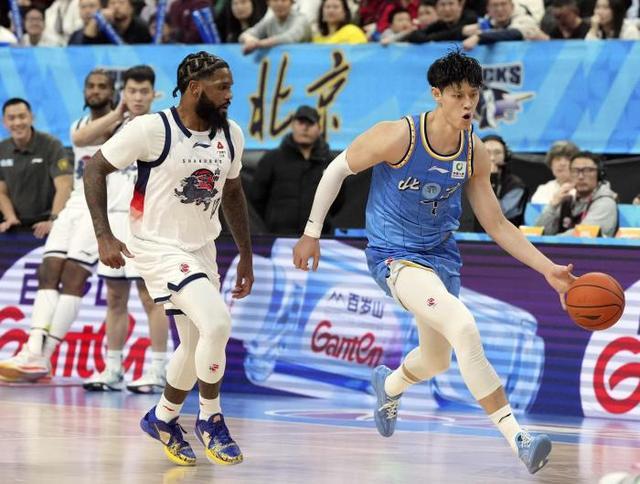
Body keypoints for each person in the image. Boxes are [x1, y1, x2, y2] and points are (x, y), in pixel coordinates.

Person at [293, 51, 575, 475]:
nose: (468, 103)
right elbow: (336, 170)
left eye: (473, 95)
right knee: (463, 326)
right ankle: (519, 437)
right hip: (394, 255)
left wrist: (548, 268)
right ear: (437, 95)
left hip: (441, 256)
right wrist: (311, 232)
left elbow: (497, 223)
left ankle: (389, 385)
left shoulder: (474, 151)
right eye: (458, 95)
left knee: (437, 359)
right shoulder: (398, 136)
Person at [83, 51, 253, 466]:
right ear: (195, 88)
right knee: (217, 323)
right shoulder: (151, 129)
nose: (230, 94)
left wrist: (246, 254)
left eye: (230, 87)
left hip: (202, 247)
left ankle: (162, 418)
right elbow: (94, 169)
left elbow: (232, 192)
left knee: (194, 346)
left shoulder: (231, 134)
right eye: (222, 87)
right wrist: (104, 235)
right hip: (157, 246)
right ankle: (211, 418)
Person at [0, 72, 110, 382]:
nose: (95, 91)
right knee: (47, 272)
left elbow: (61, 181)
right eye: (91, 86)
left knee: (73, 276)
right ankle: (33, 350)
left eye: (102, 86)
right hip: (76, 204)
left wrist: (122, 111)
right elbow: (81, 143)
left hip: (103, 207)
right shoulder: (78, 126)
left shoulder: (125, 125)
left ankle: (43, 356)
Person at [74, 66, 169, 393]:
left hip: (145, 221)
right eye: (132, 91)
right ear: (123, 93)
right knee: (115, 297)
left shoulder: (161, 126)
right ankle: (113, 369)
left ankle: (158, 370)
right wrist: (118, 113)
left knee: (150, 296)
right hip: (113, 220)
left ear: (153, 94)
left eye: (144, 92)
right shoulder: (112, 125)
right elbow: (79, 140)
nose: (138, 97)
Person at [250, 105, 338, 235]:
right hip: (277, 236)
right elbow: (256, 198)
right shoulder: (272, 159)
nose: (305, 128)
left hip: (319, 236)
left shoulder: (330, 162)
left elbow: (338, 200)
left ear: (319, 128)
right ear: (292, 126)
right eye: (301, 122)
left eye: (310, 123)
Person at [0, 98, 72, 238]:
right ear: (4, 122)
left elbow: (65, 185)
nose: (17, 123)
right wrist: (10, 218)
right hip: (17, 224)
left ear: (32, 118)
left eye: (22, 116)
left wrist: (53, 220)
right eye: (11, 118)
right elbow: (1, 192)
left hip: (48, 222)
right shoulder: (2, 149)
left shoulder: (52, 144)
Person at [535, 151, 618, 237]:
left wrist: (552, 240)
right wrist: (552, 205)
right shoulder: (567, 200)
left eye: (587, 170)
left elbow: (584, 234)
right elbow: (541, 233)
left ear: (599, 174)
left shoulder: (605, 202)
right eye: (575, 171)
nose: (580, 176)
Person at [482, 134, 528, 227]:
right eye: (486, 152)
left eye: (497, 152)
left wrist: (492, 178)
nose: (492, 158)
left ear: (506, 156)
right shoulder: (465, 180)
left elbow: (496, 214)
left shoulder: (516, 185)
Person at [239, 0, 311, 54]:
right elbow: (245, 35)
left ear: (291, 3)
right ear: (268, 3)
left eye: (283, 0)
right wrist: (249, 40)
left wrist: (259, 44)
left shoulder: (301, 19)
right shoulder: (269, 21)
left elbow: (290, 37)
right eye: (275, 0)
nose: (279, 4)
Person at [530, 140, 579, 205]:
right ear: (551, 165)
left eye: (567, 159)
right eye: (557, 159)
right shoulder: (543, 190)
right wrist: (554, 202)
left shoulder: (586, 188)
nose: (562, 163)